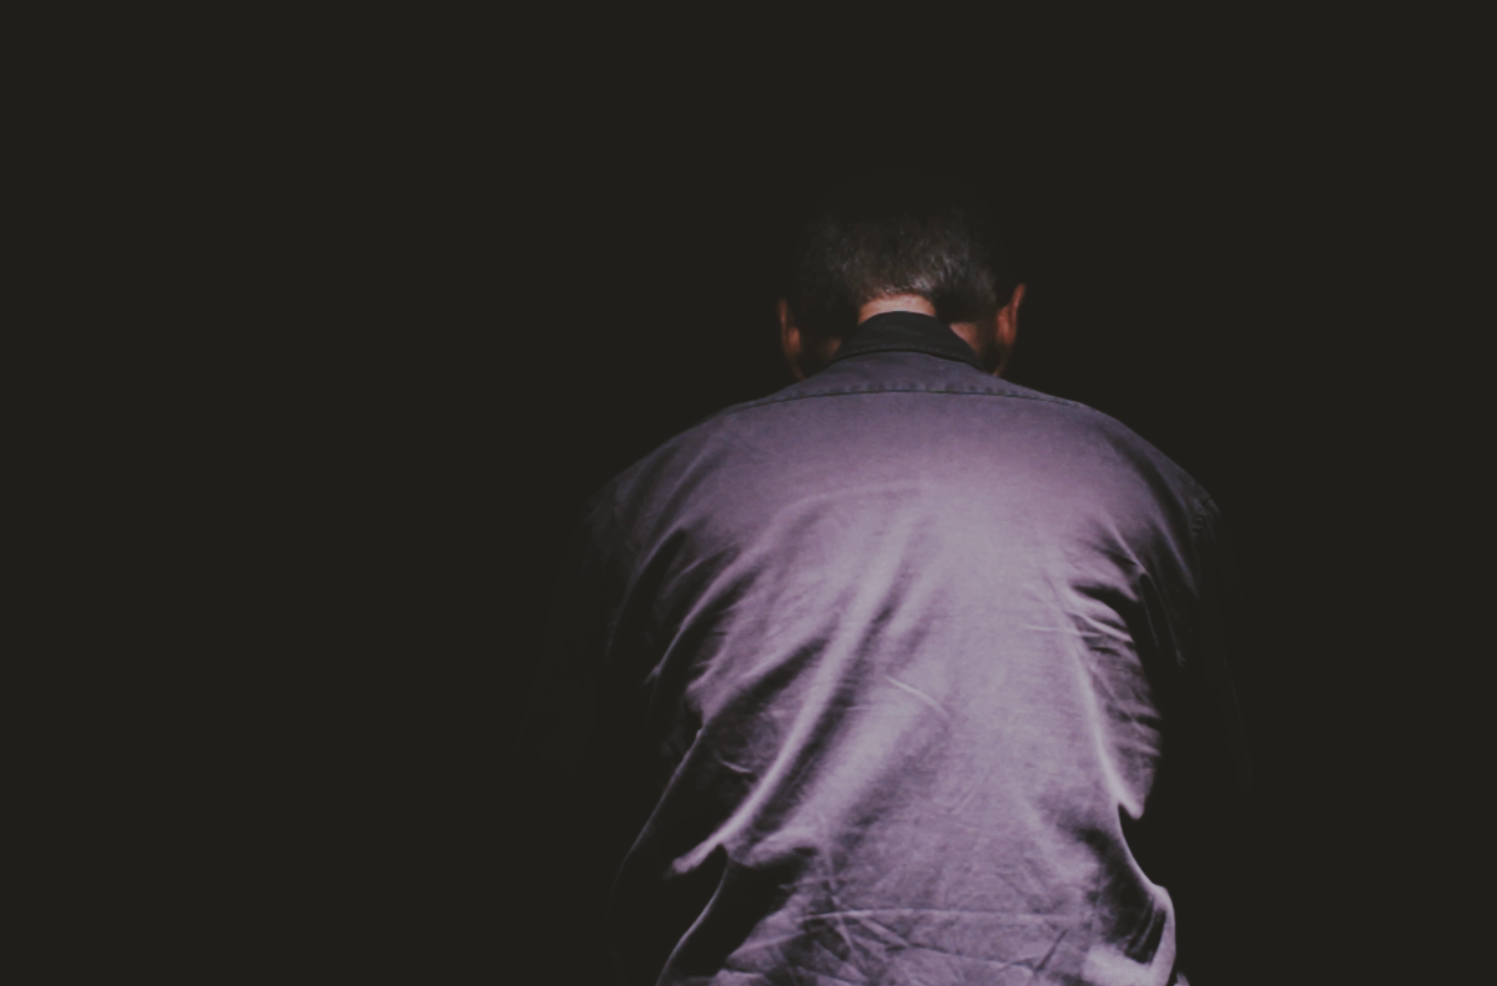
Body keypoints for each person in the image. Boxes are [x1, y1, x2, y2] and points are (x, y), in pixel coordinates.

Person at [526, 171, 1249, 985]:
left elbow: (558, 827)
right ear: (1009, 318)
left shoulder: (645, 506)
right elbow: (1229, 818)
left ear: (790, 331)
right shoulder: (1148, 492)